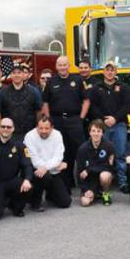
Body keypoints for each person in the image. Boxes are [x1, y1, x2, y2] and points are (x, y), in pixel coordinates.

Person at [42, 56, 90, 189]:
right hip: (57, 121)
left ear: (69, 66)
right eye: (60, 65)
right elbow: (45, 102)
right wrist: (49, 119)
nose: (62, 67)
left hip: (74, 120)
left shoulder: (78, 80)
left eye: (65, 65)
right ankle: (67, 183)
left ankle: (84, 182)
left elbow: (86, 100)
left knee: (80, 151)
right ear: (56, 67)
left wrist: (81, 118)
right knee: (62, 152)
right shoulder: (51, 82)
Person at [88, 61, 130, 192]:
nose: (110, 72)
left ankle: (122, 182)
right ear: (103, 72)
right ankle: (101, 182)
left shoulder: (123, 87)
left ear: (116, 71)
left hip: (119, 125)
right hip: (102, 126)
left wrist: (115, 118)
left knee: (121, 154)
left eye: (112, 70)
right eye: (107, 70)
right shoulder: (96, 88)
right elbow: (93, 107)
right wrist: (104, 120)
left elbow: (126, 106)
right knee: (101, 154)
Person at [0, 118, 33, 219]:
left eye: (9, 127)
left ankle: (14, 206)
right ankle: (3, 200)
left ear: (13, 129)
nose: (6, 129)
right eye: (3, 126)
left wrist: (27, 179)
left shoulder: (19, 145)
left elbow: (27, 164)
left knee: (28, 185)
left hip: (11, 181)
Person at [24, 117, 72, 211]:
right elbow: (34, 159)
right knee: (43, 175)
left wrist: (46, 167)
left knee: (65, 202)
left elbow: (58, 156)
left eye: (47, 128)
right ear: (37, 127)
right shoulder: (29, 136)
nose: (43, 131)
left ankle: (50, 195)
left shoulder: (57, 134)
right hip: (37, 171)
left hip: (52, 171)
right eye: (40, 128)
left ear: (52, 127)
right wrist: (49, 166)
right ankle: (35, 202)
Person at [0, 63, 43, 140]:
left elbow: (39, 111)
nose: (16, 75)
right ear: (11, 75)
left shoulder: (34, 92)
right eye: (14, 73)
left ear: (23, 75)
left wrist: (40, 128)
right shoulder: (2, 93)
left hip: (29, 133)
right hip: (8, 134)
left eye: (19, 73)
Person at [76, 120, 115, 206]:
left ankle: (105, 193)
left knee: (105, 175)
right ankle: (94, 193)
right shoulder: (82, 149)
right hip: (89, 182)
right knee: (85, 203)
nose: (96, 134)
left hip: (101, 178)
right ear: (89, 132)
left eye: (99, 131)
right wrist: (86, 190)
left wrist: (89, 169)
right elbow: (79, 172)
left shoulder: (109, 146)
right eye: (93, 131)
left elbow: (109, 167)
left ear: (102, 133)